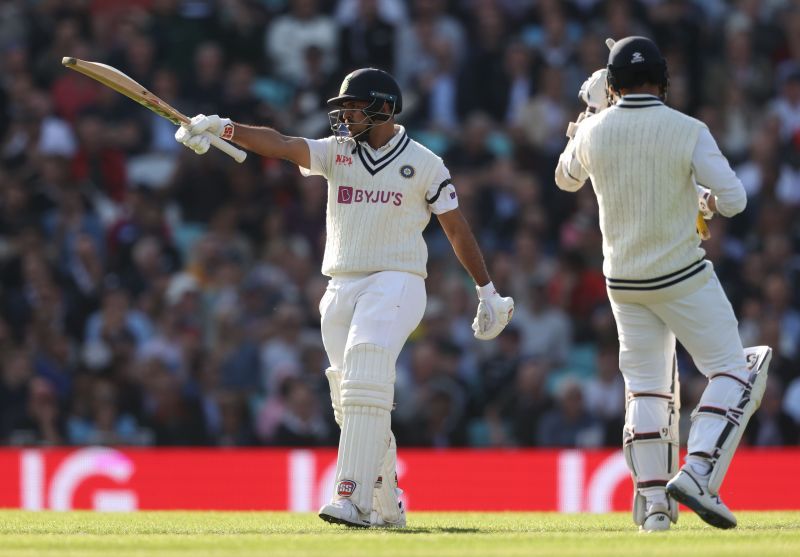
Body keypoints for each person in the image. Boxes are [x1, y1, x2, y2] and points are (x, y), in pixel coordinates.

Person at [174, 67, 514, 527]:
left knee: (367, 369)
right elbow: (281, 143)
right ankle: (387, 499)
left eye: (354, 107)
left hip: (398, 279)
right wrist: (222, 127)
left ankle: (349, 497)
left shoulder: (425, 162)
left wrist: (486, 290)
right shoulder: (338, 153)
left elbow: (455, 227)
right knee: (351, 399)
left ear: (384, 109)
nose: (346, 116)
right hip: (340, 284)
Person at [554, 36, 772, 532]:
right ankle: (697, 472)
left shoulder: (593, 131)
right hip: (682, 276)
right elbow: (735, 199)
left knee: (647, 392)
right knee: (736, 371)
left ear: (611, 85)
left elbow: (565, 178)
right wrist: (704, 202)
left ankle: (655, 509)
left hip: (623, 282)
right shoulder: (688, 128)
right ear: (663, 80)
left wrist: (590, 110)